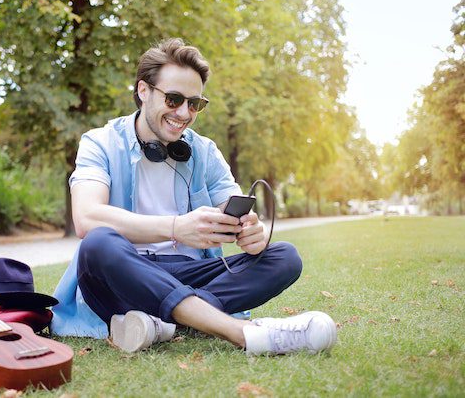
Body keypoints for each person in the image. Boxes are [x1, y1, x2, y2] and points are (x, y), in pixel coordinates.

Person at [51, 38, 337, 356]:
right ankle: (240, 332)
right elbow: (87, 217)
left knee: (284, 257)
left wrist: (249, 229)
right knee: (98, 243)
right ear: (143, 91)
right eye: (174, 99)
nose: (184, 113)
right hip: (121, 273)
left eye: (195, 104)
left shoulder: (204, 150)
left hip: (186, 271)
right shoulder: (100, 142)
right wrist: (175, 227)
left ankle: (160, 324)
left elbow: (230, 203)